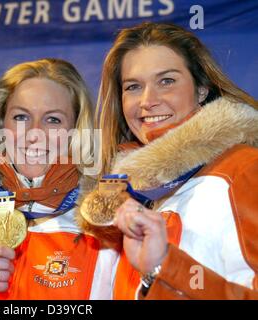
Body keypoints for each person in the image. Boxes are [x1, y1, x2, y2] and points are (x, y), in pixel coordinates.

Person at [83, 22, 258, 299]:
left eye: (167, 81)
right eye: (133, 86)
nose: (147, 100)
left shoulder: (245, 169)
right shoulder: (123, 194)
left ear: (201, 89)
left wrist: (166, 266)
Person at [0, 58, 119, 300]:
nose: (34, 133)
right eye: (21, 117)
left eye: (53, 120)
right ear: (0, 123)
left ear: (76, 130)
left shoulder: (107, 223)